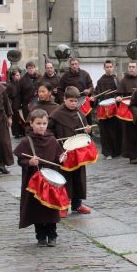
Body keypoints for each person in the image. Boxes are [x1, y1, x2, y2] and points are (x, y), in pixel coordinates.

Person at [13, 109, 68, 246]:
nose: (41, 126)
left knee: (51, 209)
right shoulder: (27, 142)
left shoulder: (52, 140)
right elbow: (21, 160)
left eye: (44, 123)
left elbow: (58, 158)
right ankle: (40, 236)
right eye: (38, 123)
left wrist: (62, 158)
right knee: (36, 208)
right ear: (31, 123)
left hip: (50, 182)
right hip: (34, 181)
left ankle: (52, 235)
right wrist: (29, 162)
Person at [50, 86, 93, 216]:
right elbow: (49, 131)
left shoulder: (79, 114)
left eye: (75, 101)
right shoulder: (56, 114)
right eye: (71, 101)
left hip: (78, 152)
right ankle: (63, 206)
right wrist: (56, 141)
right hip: (64, 152)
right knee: (65, 179)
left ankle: (77, 204)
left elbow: (84, 130)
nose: (74, 103)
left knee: (78, 179)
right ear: (64, 99)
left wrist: (87, 130)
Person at [94, 59, 121, 159]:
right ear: (104, 68)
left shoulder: (116, 79)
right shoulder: (100, 81)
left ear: (113, 67)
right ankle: (108, 152)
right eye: (107, 67)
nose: (109, 69)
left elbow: (120, 92)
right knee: (105, 131)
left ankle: (117, 151)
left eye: (110, 67)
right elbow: (97, 93)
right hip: (104, 109)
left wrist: (118, 97)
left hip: (114, 108)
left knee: (115, 130)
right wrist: (94, 98)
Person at [117, 61, 137, 163]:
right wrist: (118, 97)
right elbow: (118, 94)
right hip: (127, 111)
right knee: (129, 134)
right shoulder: (123, 81)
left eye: (133, 67)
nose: (131, 68)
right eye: (130, 67)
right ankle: (132, 156)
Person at [6, 69, 25, 138]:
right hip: (13, 105)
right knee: (15, 120)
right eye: (17, 75)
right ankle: (16, 133)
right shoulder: (10, 85)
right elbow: (7, 96)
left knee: (21, 119)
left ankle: (22, 132)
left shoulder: (20, 83)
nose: (19, 76)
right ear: (13, 76)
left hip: (20, 103)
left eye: (19, 75)